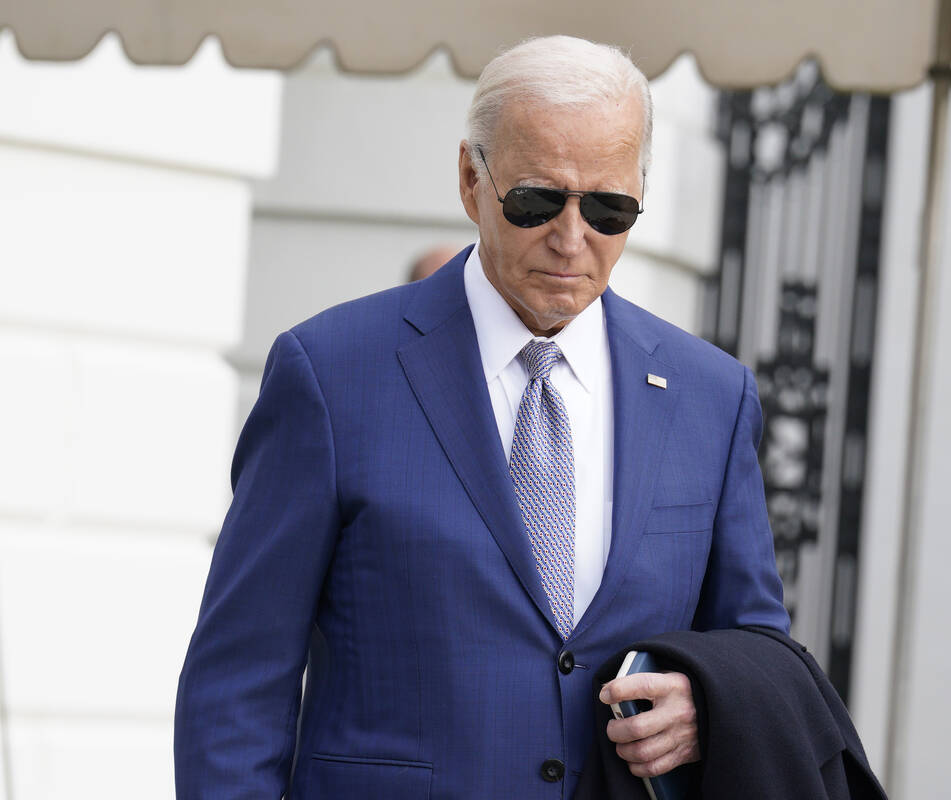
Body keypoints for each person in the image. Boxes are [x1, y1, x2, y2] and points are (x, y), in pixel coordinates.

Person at [174, 35, 789, 799]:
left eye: (609, 208)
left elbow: (759, 647)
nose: (571, 239)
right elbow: (238, 681)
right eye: (537, 201)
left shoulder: (712, 397)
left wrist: (708, 703)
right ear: (471, 179)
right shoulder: (329, 375)